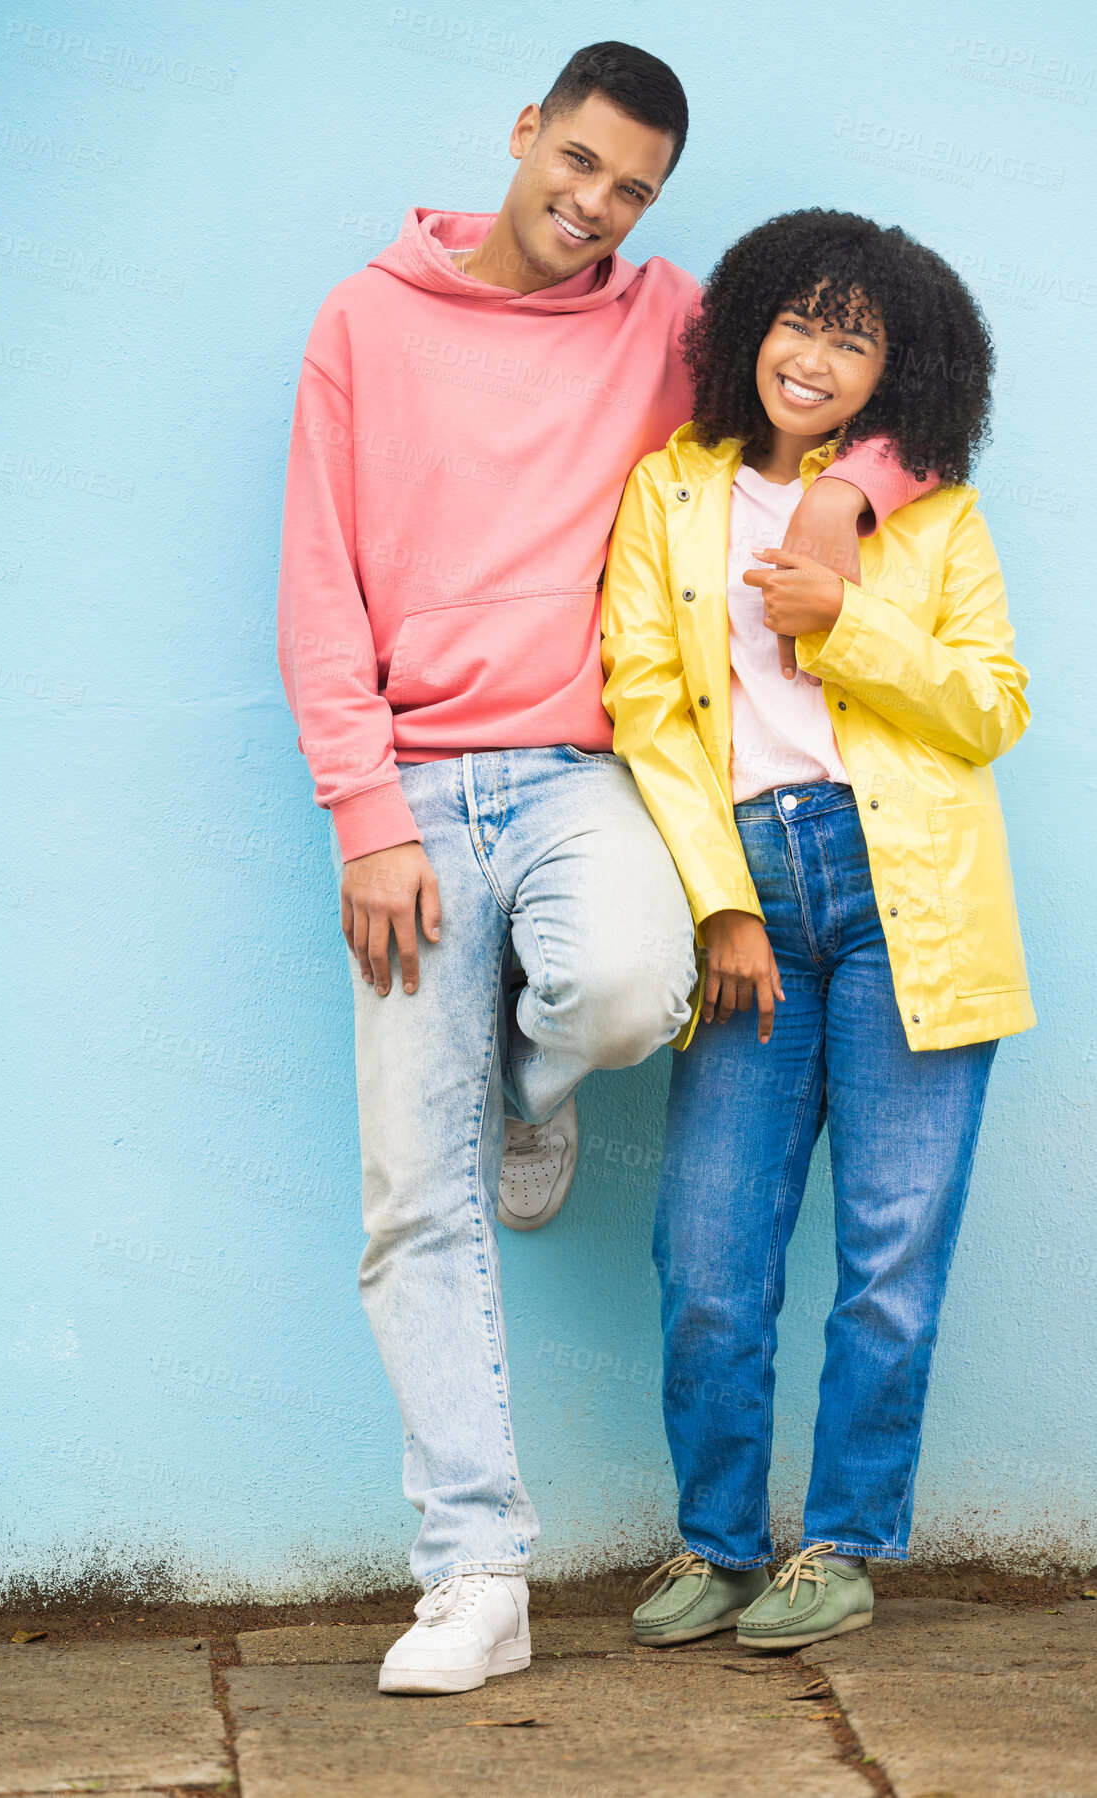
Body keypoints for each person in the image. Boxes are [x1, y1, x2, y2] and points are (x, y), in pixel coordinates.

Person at [278, 42, 936, 1695]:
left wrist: (851, 505)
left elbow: (864, 386)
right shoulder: (365, 321)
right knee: (411, 1193)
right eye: (575, 164)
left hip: (583, 774)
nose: (592, 207)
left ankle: (536, 1079)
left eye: (630, 189)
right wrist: (362, 813)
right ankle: (477, 1570)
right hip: (414, 789)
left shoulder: (671, 321)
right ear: (523, 135)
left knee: (636, 988)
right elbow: (316, 587)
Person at [601, 208, 1035, 1653]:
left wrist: (847, 617)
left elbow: (993, 704)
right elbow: (649, 708)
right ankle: (719, 1540)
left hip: (911, 891)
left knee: (889, 1254)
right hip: (755, 901)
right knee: (711, 1254)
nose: (816, 354)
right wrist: (722, 900)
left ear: (892, 372)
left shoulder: (937, 510)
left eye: (856, 337)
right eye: (800, 319)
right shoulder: (672, 492)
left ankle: (842, 1542)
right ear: (747, 330)